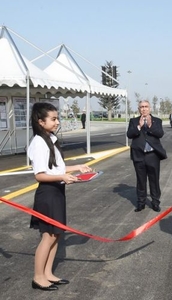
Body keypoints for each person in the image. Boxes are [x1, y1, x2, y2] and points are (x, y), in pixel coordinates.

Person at [28, 102, 92, 291]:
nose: (57, 122)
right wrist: (62, 177)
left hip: (57, 191)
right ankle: (38, 277)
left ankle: (48, 273)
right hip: (47, 194)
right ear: (41, 121)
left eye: (57, 118)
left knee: (56, 235)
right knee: (47, 237)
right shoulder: (39, 143)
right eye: (53, 119)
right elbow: (39, 175)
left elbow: (56, 167)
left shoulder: (51, 139)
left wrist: (78, 167)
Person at [127, 100, 167, 212]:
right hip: (139, 156)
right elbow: (129, 134)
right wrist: (139, 127)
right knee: (141, 181)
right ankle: (141, 203)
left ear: (150, 108)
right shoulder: (133, 121)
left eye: (146, 106)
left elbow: (160, 134)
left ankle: (155, 202)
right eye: (141, 107)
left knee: (154, 180)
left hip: (152, 156)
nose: (144, 109)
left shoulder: (157, 121)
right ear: (139, 109)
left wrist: (150, 125)